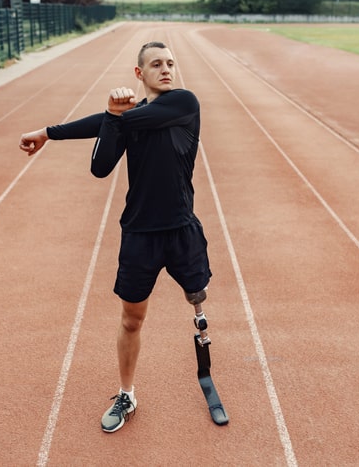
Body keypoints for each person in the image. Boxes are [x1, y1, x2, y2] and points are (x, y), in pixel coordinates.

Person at [18, 42, 213, 433]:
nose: (166, 69)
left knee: (198, 299)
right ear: (139, 74)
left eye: (171, 63)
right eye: (156, 64)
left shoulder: (184, 103)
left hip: (181, 231)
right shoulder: (129, 118)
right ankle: (127, 394)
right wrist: (60, 129)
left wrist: (62, 129)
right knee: (131, 320)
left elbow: (118, 120)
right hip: (139, 235)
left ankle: (203, 348)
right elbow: (100, 167)